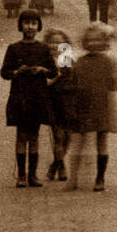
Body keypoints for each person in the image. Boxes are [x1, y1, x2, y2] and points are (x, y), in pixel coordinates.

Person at [0, 8, 57, 188]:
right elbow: (4, 72)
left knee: (34, 136)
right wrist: (17, 71)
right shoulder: (13, 48)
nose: (30, 27)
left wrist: (42, 70)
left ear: (38, 26)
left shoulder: (44, 49)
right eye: (26, 23)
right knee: (21, 136)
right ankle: (21, 176)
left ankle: (32, 176)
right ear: (21, 25)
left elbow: (53, 71)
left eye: (34, 23)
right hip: (20, 97)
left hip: (38, 97)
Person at [66, 22, 117, 191]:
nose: (93, 43)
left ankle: (100, 178)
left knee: (102, 140)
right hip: (83, 104)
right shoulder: (80, 62)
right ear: (85, 42)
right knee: (78, 140)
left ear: (105, 41)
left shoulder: (111, 61)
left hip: (103, 104)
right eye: (90, 40)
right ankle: (73, 178)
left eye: (98, 39)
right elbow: (73, 82)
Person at [43, 27, 76, 180]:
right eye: (51, 42)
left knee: (67, 136)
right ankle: (61, 165)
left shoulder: (68, 60)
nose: (54, 46)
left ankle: (56, 164)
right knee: (58, 136)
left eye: (58, 42)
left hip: (69, 103)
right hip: (53, 103)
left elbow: (73, 80)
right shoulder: (44, 60)